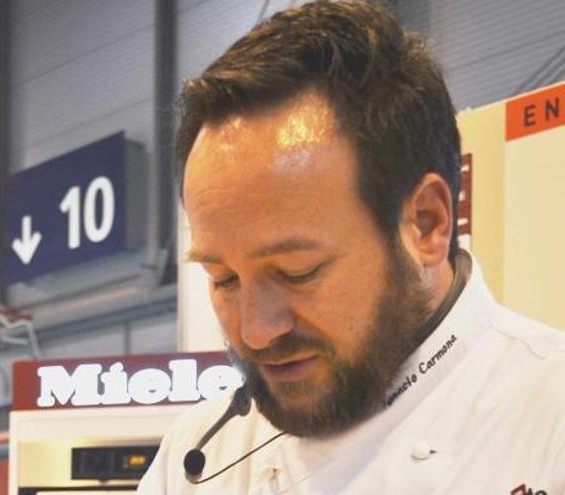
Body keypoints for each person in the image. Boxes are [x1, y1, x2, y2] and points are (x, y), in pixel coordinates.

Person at [137, 1, 565, 493]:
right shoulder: (197, 453)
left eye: (298, 271)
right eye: (223, 279)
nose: (255, 332)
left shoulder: (549, 422)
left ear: (425, 224)